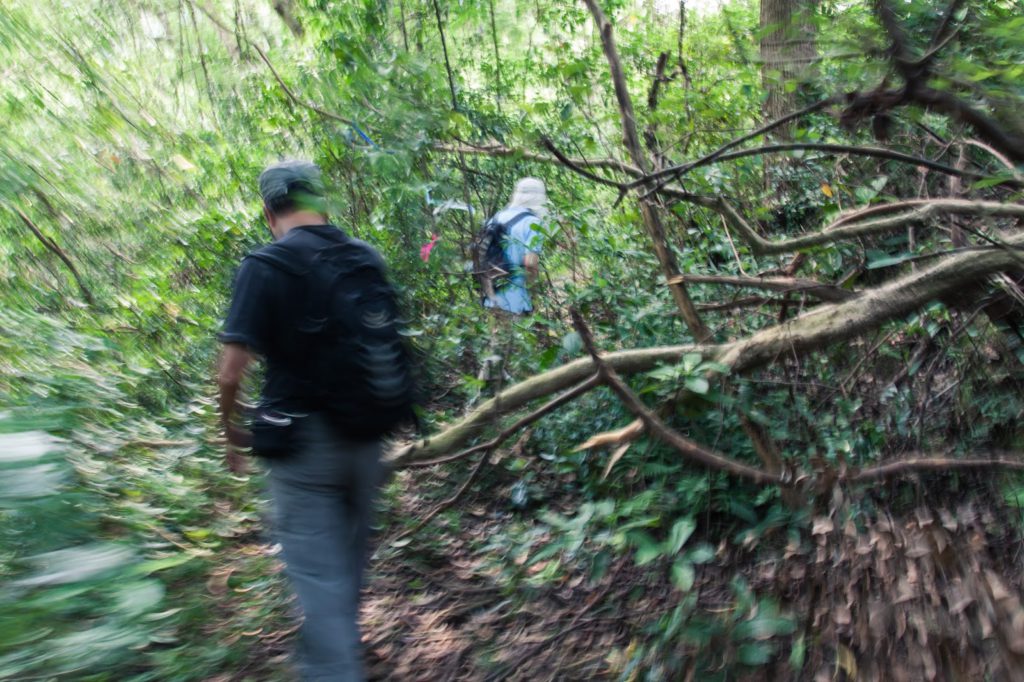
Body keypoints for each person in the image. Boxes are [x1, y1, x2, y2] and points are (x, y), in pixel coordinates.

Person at [217, 160, 385, 681]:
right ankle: (332, 653)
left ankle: (332, 665)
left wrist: (230, 433)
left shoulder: (264, 266)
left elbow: (229, 372)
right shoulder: (365, 257)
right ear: (320, 200)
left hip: (303, 449)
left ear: (269, 212)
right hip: (367, 436)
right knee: (347, 566)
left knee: (318, 577)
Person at [482, 177, 547, 315]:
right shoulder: (533, 223)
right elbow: (530, 263)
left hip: (491, 297)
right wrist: (534, 296)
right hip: (516, 301)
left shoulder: (497, 217)